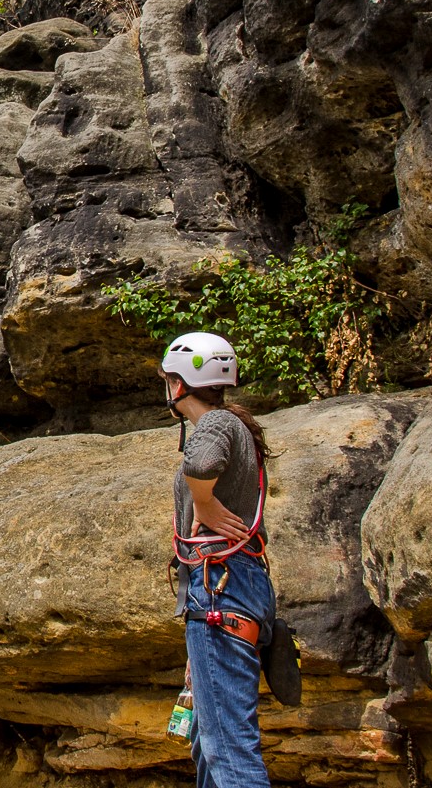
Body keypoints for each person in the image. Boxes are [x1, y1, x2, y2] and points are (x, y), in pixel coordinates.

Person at [162, 332, 276, 788]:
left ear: (179, 384)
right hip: (224, 592)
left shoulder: (215, 425)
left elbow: (200, 465)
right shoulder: (235, 426)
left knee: (226, 746)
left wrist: (204, 505)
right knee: (207, 742)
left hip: (219, 592)